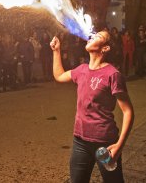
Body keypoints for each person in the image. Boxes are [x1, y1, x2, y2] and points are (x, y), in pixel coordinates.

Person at [50, 30, 134, 183]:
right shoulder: (81, 70)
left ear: (105, 48)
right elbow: (59, 76)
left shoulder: (112, 75)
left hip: (105, 143)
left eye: (98, 36)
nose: (92, 36)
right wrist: (56, 51)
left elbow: (128, 111)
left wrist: (119, 146)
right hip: (80, 141)